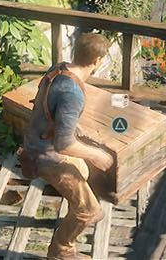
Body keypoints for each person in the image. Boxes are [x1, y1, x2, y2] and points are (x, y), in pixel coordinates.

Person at [19, 32, 116, 260]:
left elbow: (48, 107)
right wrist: (96, 154)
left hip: (36, 141)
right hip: (47, 156)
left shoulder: (59, 69)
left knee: (81, 170)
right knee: (90, 211)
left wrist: (71, 126)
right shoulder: (73, 93)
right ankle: (61, 252)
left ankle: (70, 202)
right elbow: (64, 145)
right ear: (96, 61)